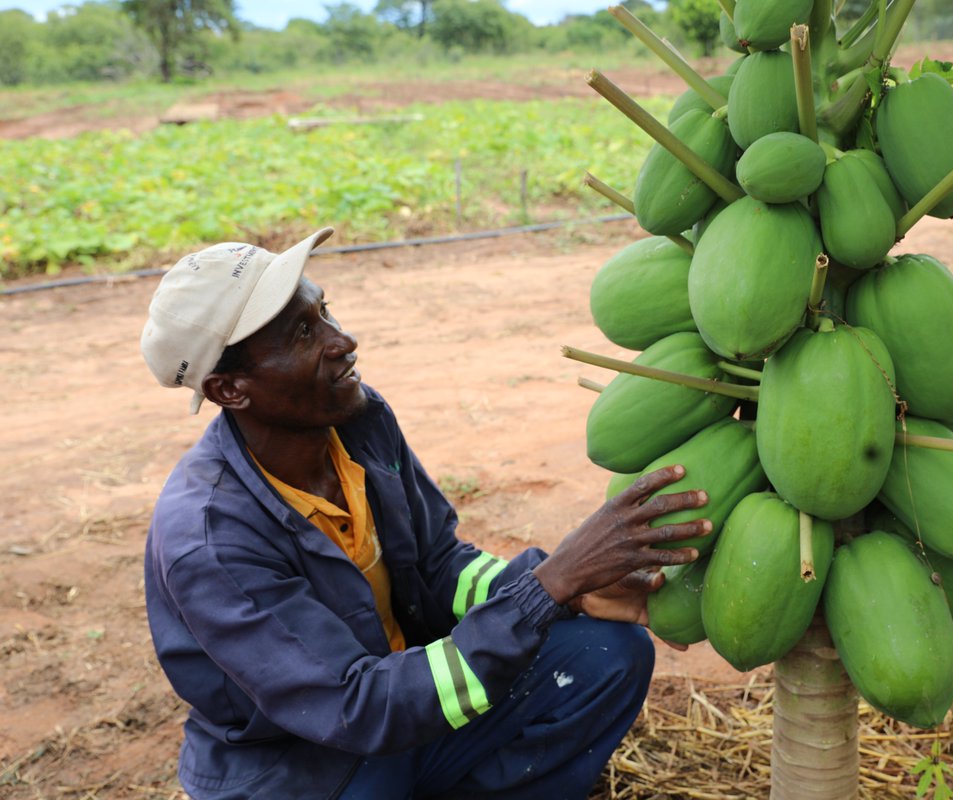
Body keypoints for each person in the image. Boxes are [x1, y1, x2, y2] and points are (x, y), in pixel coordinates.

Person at [139, 227, 711, 800]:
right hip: (308, 768)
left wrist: (564, 594)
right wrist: (549, 585)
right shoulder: (210, 539)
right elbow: (352, 709)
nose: (344, 341)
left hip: (407, 706)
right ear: (230, 389)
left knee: (607, 656)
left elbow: (437, 564)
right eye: (304, 333)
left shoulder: (355, 421)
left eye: (325, 311)